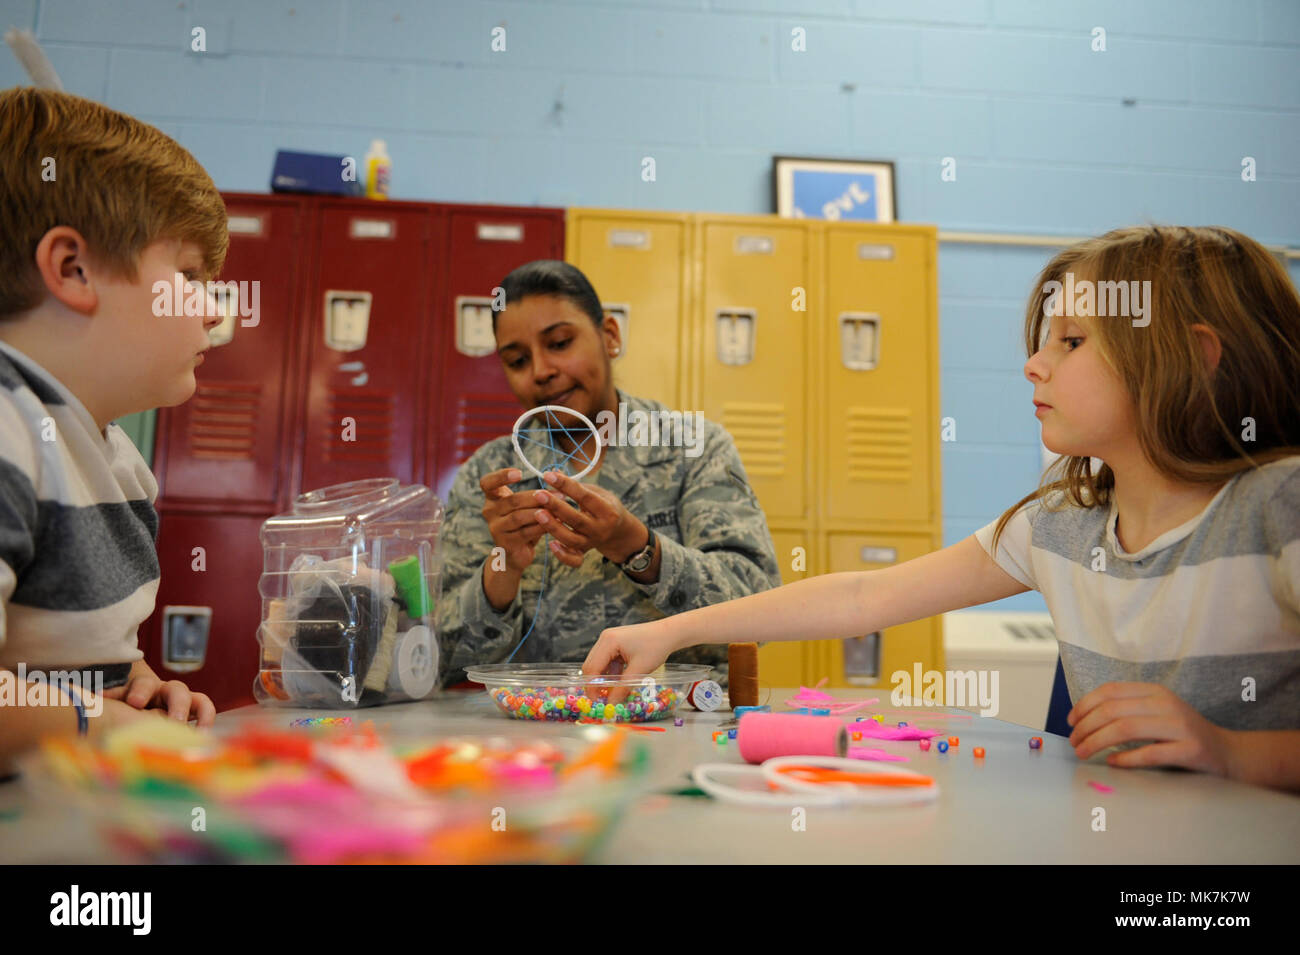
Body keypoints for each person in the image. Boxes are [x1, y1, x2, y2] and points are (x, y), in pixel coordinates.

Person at [583, 226, 1300, 791]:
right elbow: (863, 595)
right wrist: (666, 634)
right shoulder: (1057, 524)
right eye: (1044, 340)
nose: (1034, 363)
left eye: (1072, 342)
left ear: (1195, 356)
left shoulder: (1277, 506)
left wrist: (1232, 752)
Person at [0, 88, 224, 773]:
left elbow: (60, 671)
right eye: (188, 275)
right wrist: (101, 722)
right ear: (74, 269)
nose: (216, 312)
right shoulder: (9, 424)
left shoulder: (116, 457)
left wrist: (135, 688)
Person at [436, 260, 781, 686]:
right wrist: (503, 567)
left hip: (676, 730)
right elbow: (442, 658)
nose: (541, 370)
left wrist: (636, 547)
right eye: (518, 359)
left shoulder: (694, 448)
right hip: (534, 736)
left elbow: (758, 612)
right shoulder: (488, 478)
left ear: (610, 337)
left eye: (560, 343)